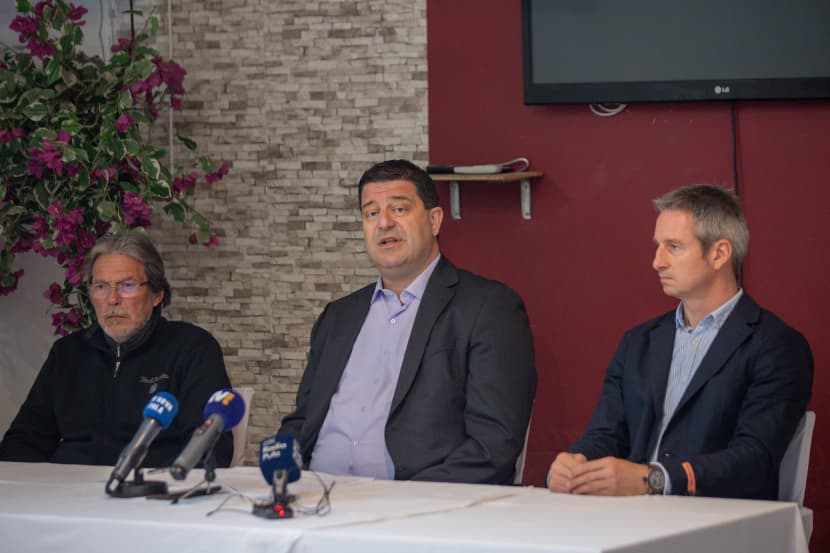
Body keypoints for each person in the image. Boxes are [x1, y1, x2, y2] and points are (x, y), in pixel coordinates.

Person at [279, 159, 537, 484]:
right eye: (371, 213)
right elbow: (303, 420)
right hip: (313, 495)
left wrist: (404, 501)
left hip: (416, 503)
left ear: (434, 220)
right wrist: (276, 471)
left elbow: (493, 446)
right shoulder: (338, 317)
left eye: (399, 209)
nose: (384, 223)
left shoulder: (488, 308)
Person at [548, 184, 813, 499]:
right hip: (630, 516)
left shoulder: (778, 346)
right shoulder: (638, 342)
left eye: (673, 247)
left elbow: (754, 459)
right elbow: (606, 435)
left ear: (719, 254)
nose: (657, 262)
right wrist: (574, 464)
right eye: (657, 246)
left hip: (721, 520)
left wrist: (654, 479)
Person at [0, 231, 234, 467]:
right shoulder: (67, 353)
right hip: (69, 484)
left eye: (127, 285)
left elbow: (210, 450)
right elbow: (22, 443)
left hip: (151, 485)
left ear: (157, 295)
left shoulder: (192, 349)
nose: (112, 299)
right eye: (101, 286)